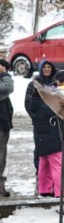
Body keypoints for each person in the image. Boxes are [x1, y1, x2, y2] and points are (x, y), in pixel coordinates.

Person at [25, 60, 64, 197]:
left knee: (46, 160)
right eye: (45, 67)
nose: (47, 69)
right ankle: (57, 191)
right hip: (46, 127)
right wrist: (39, 119)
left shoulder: (57, 83)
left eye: (49, 67)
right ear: (41, 69)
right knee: (52, 160)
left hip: (48, 127)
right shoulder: (34, 85)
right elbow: (29, 105)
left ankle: (46, 189)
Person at [0, 59, 14, 197]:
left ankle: (0, 184)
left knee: (1, 155)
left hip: (3, 121)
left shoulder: (5, 78)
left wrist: (4, 76)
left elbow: (8, 88)